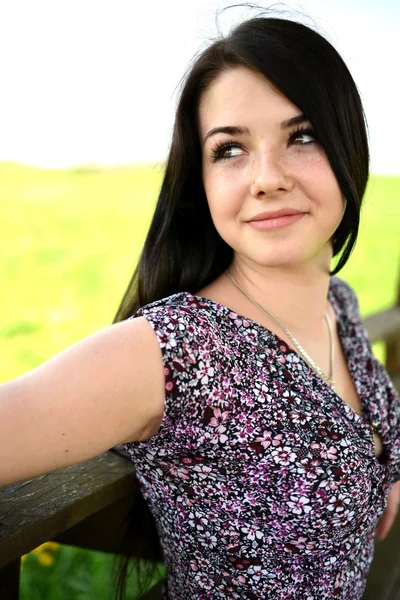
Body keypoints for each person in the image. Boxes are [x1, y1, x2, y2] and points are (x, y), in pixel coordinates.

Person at [1, 12, 399, 600]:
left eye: (303, 135)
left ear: (350, 149)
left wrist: (378, 469)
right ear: (202, 181)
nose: (266, 178)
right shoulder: (177, 350)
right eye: (231, 149)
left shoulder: (337, 302)